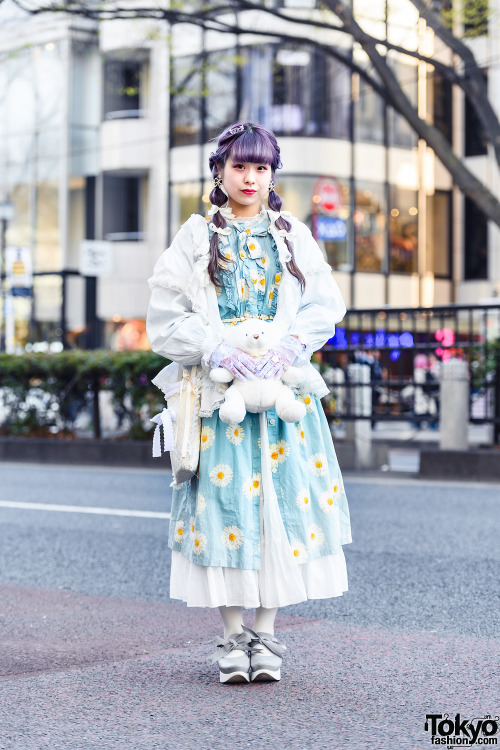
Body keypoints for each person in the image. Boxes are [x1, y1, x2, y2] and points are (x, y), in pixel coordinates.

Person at [146, 122, 352, 685]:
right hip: (220, 394)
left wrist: (287, 347)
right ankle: (233, 635)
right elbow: (164, 317)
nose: (250, 177)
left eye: (261, 168)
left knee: (281, 509)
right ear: (219, 171)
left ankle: (266, 632)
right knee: (226, 509)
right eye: (240, 166)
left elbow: (323, 303)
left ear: (272, 175)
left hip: (283, 392)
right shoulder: (194, 236)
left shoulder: (293, 236)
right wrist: (219, 349)